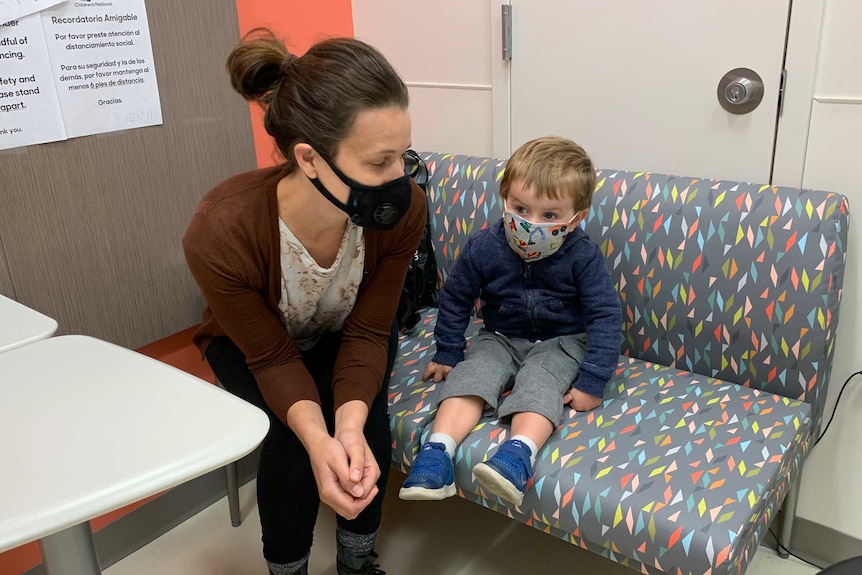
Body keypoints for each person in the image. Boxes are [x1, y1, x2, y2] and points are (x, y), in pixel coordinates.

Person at [183, 29, 426, 575]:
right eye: (379, 162)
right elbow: (271, 359)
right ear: (310, 159)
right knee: (292, 446)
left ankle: (357, 561)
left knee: (366, 429)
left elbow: (367, 332)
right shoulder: (221, 230)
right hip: (254, 344)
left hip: (344, 329)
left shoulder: (403, 211)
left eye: (403, 156)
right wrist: (318, 437)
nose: (399, 180)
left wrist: (346, 427)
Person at [399, 136, 621, 506]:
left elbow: (605, 314)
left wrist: (593, 381)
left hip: (563, 342)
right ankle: (436, 454)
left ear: (576, 218)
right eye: (521, 208)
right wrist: (449, 351)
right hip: (499, 336)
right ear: (505, 199)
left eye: (549, 216)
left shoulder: (583, 255)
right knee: (470, 377)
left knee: (539, 384)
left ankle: (517, 456)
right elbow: (456, 297)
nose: (531, 224)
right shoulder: (484, 245)